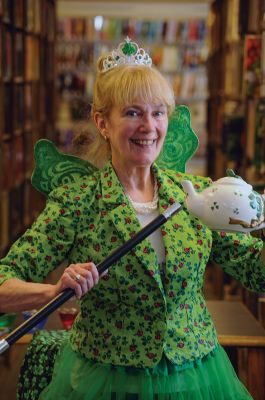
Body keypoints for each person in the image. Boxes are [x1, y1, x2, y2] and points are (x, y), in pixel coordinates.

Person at [0, 37, 264, 400]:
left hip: (197, 378)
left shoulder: (200, 197)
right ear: (102, 122)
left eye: (158, 112)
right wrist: (53, 291)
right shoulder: (77, 202)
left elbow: (256, 271)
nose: (149, 126)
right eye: (132, 113)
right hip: (106, 383)